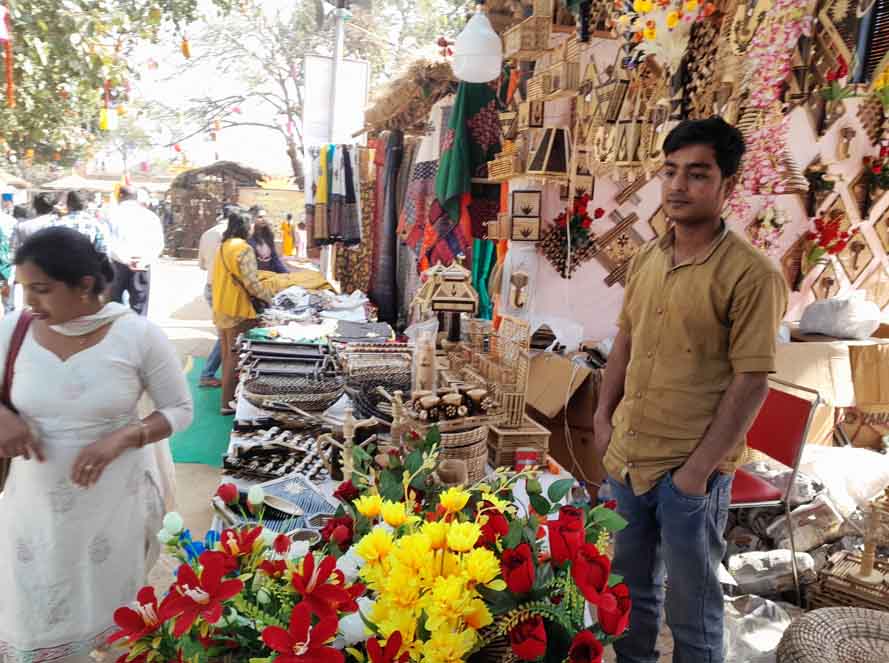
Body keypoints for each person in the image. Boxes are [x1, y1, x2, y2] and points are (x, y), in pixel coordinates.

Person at [593, 117, 788, 663]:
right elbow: (624, 345)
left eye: (697, 174)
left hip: (690, 475)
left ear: (728, 186)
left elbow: (751, 381)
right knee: (628, 598)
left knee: (693, 610)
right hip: (628, 459)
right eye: (671, 171)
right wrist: (605, 422)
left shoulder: (751, 275)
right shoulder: (648, 259)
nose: (678, 186)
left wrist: (698, 471)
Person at [0, 227, 192, 663]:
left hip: (112, 507)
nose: (30, 302)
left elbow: (179, 409)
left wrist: (123, 437)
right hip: (33, 507)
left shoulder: (138, 336)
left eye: (42, 290)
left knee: (108, 607)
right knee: (33, 603)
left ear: (84, 285)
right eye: (26, 289)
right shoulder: (13, 332)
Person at [212, 211, 275, 415]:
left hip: (221, 306)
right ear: (245, 227)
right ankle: (228, 403)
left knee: (226, 353)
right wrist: (268, 298)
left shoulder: (224, 246)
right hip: (238, 309)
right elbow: (251, 282)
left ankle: (226, 399)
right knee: (235, 356)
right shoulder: (243, 248)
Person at [106, 186, 165, 316]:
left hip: (116, 265)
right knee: (140, 308)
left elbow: (107, 242)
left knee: (113, 308)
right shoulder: (150, 216)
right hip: (142, 265)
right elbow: (158, 243)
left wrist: (125, 260)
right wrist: (145, 260)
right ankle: (138, 333)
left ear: (120, 196)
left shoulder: (111, 215)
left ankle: (117, 333)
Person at [196, 204, 233, 389]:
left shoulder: (208, 233)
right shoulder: (231, 236)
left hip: (210, 286)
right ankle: (208, 374)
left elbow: (201, 264)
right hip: (224, 289)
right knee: (225, 333)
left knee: (224, 332)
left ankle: (213, 373)